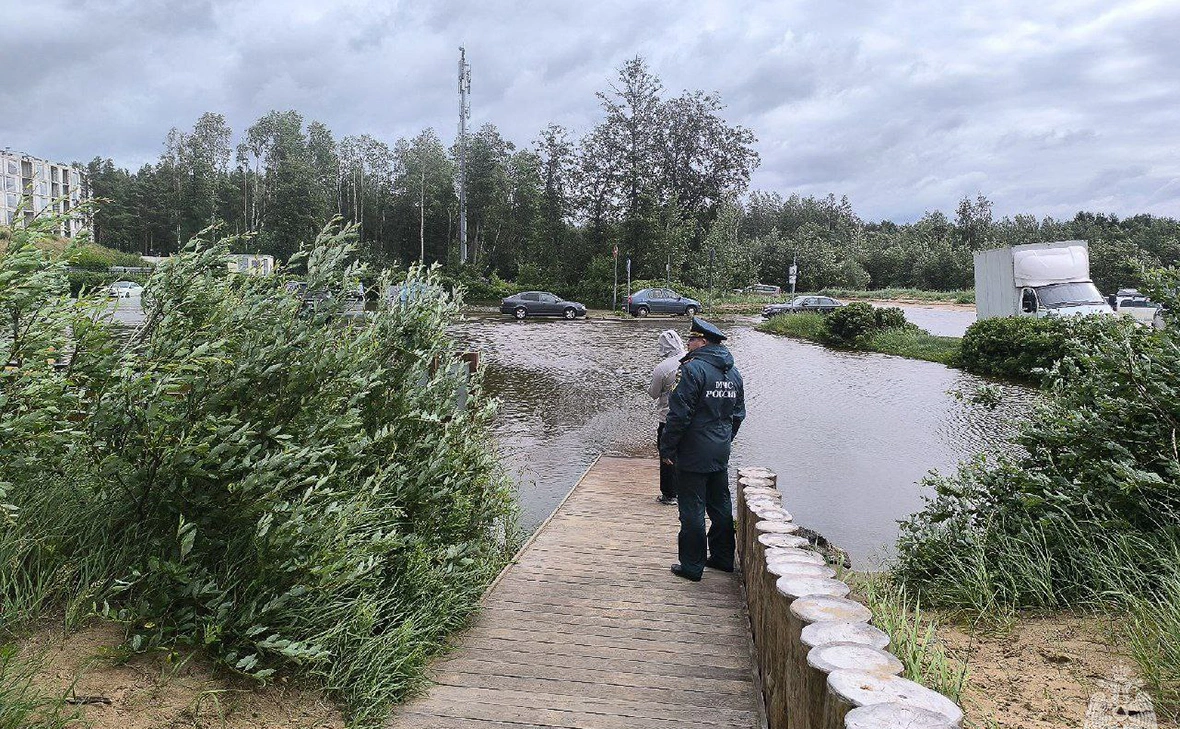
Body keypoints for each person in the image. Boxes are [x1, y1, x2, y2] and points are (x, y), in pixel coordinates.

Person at [659, 317, 745, 582]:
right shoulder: (733, 372)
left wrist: (668, 449)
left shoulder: (693, 370)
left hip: (694, 452)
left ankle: (692, 566)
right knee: (720, 505)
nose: (687, 344)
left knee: (692, 508)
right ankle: (722, 557)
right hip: (719, 450)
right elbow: (739, 414)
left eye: (691, 339)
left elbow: (679, 415)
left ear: (703, 342)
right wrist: (724, 439)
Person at [647, 329, 686, 505]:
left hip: (667, 419)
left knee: (667, 455)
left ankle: (669, 495)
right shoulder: (693, 360)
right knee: (687, 455)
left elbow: (653, 394)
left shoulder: (662, 368)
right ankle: (687, 491)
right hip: (689, 420)